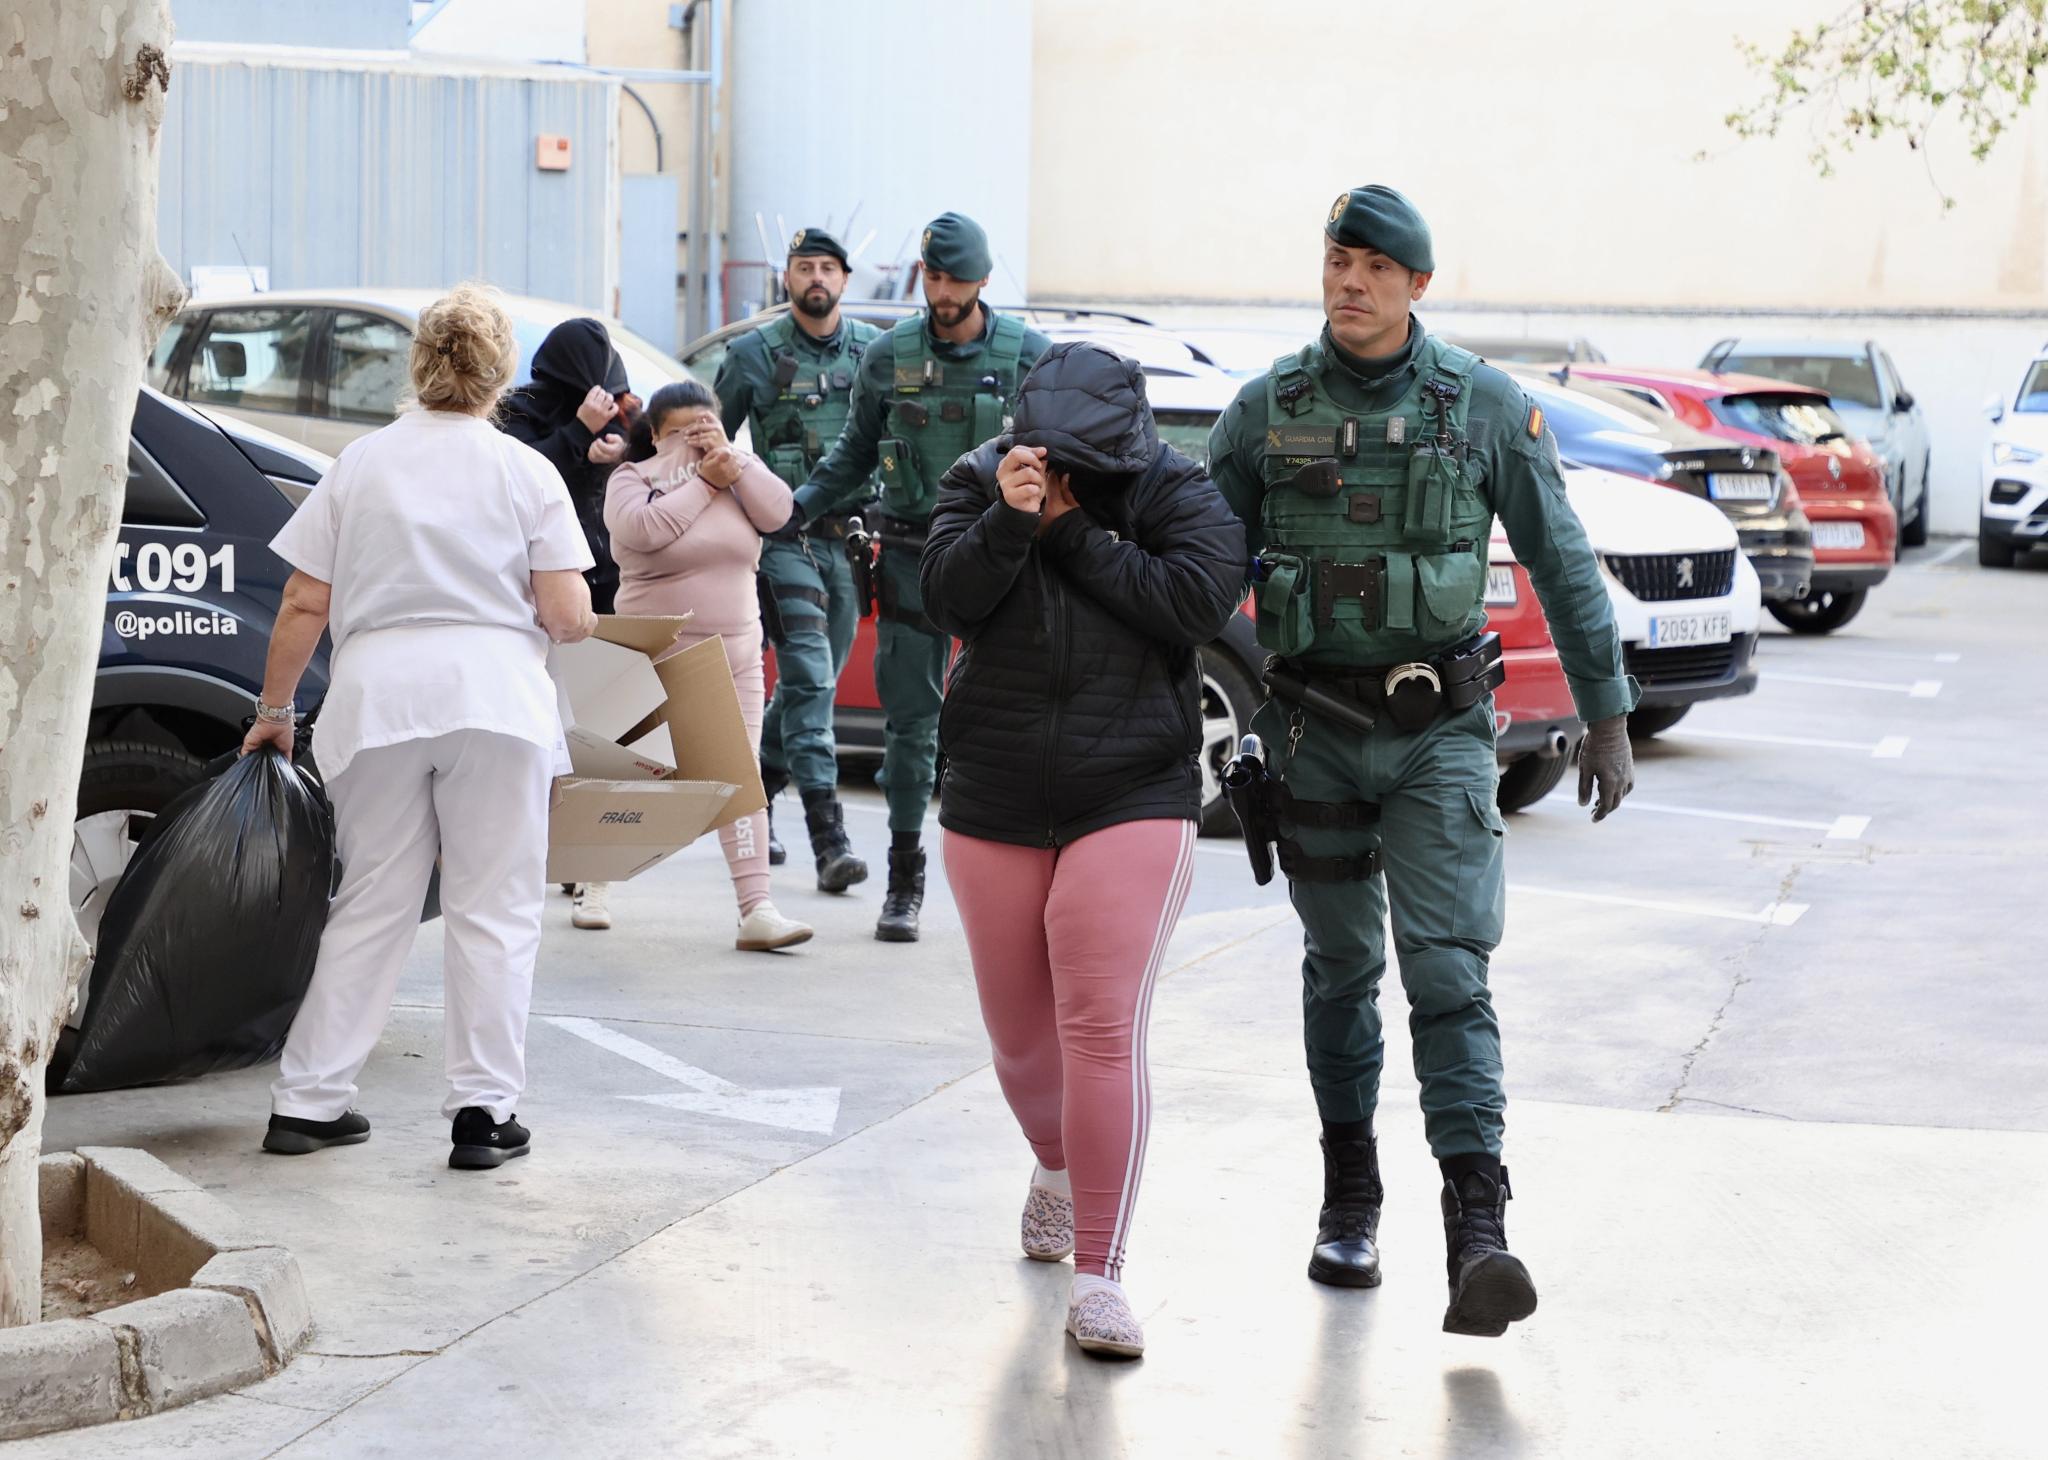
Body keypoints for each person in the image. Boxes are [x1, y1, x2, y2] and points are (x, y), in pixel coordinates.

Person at [1205, 186, 1639, 1337]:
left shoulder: (1484, 407)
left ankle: (1478, 1232)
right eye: (1336, 260)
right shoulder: (1263, 412)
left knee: (1448, 970)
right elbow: (1193, 564)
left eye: (1372, 267)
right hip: (1308, 731)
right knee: (1339, 965)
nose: (1348, 282)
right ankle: (1348, 1198)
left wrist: (1603, 708)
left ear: (1416, 285)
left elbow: (1562, 555)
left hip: (1439, 731)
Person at [922, 342, 1247, 1359]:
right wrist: (1008, 520)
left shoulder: (1173, 489)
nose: (1056, 468)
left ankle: (1100, 1272)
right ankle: (1054, 1165)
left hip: (1133, 787)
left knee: (1099, 1025)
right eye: (1039, 450)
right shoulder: (978, 478)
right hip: (994, 786)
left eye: (1079, 458)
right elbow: (944, 599)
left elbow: (1192, 603)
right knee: (1021, 1041)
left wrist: (1067, 529)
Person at [246, 283, 598, 1170]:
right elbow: (566, 613)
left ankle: (310, 1101)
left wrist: (275, 712)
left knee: (372, 900)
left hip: (380, 702)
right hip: (495, 704)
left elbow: (302, 600)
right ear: (501, 376)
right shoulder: (527, 472)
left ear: (419, 366)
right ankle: (482, 1114)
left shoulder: (361, 463)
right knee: (495, 908)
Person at [777, 212, 1052, 942]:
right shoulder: (890, 354)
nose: (943, 292)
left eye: (957, 279)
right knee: (909, 726)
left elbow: (1075, 452)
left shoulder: (1029, 354)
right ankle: (905, 880)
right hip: (911, 554)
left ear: (984, 280)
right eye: (933, 277)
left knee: (1019, 724)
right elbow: (853, 451)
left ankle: (1027, 887)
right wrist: (795, 508)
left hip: (1005, 558)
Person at [604, 382, 814, 953]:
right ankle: (591, 880)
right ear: (655, 435)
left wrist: (736, 462)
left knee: (740, 775)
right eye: (683, 431)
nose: (698, 440)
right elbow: (644, 531)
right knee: (627, 775)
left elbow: (780, 512)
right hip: (656, 653)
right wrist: (701, 480)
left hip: (738, 652)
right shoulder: (633, 480)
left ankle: (756, 908)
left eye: (708, 427)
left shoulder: (735, 473)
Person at [713, 228, 881, 890]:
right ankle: (830, 839)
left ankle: (754, 797)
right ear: (787, 278)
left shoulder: (874, 350)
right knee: (811, 680)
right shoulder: (752, 354)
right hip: (784, 539)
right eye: (804, 266)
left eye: (828, 267)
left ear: (844, 279)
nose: (816, 276)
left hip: (849, 541)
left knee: (812, 688)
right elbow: (710, 440)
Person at [500, 318, 637, 930]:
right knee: (540, 735)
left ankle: (595, 876)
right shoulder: (521, 412)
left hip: (601, 588)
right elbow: (519, 475)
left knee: (601, 735)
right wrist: (578, 436)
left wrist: (619, 452)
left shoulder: (618, 416)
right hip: (527, 600)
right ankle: (545, 857)